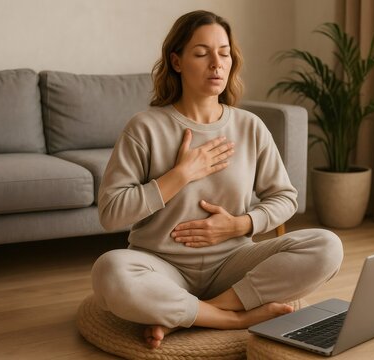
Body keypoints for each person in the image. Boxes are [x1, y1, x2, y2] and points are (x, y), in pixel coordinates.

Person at [91, 10, 343, 349]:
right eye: (201, 53)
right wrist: (180, 175)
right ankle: (232, 317)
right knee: (109, 271)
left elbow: (285, 197)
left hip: (233, 264)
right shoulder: (145, 127)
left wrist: (240, 226)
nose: (216, 63)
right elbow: (110, 213)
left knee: (327, 246)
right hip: (161, 265)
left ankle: (193, 313)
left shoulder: (249, 126)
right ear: (177, 61)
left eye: (223, 53)